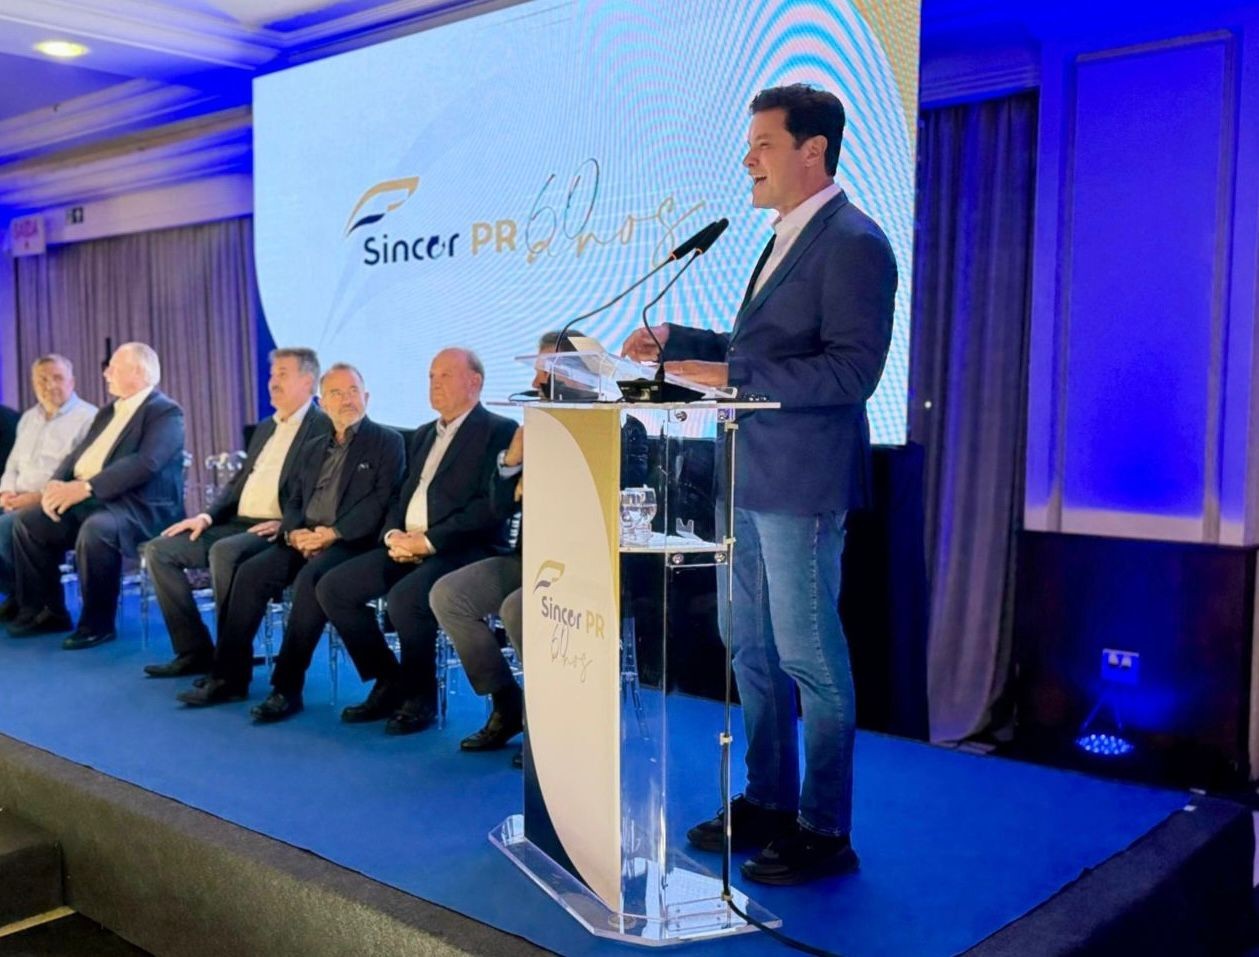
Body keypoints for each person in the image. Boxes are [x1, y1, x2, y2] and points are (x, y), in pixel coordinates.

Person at [621, 84, 897, 885]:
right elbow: (768, 347)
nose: (747, 159)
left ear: (813, 150)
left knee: (809, 657)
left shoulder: (854, 242)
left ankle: (824, 825)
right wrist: (681, 339)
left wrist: (727, 372)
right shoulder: (786, 235)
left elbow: (850, 372)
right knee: (748, 645)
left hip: (800, 484)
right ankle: (770, 798)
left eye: (762, 144)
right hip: (745, 476)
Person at [429, 330, 648, 757]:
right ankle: (506, 702)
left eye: (546, 372)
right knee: (449, 595)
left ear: (579, 375)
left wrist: (553, 481)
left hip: (592, 565)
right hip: (532, 558)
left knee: (518, 608)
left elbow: (626, 499)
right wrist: (512, 461)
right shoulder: (537, 427)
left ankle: (554, 720)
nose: (535, 382)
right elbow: (498, 508)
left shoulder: (624, 427)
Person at [175, 363, 403, 710]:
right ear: (323, 402)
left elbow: (380, 501)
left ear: (367, 397)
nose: (347, 400)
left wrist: (332, 533)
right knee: (250, 573)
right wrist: (294, 533)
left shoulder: (387, 442)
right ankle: (228, 677)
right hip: (303, 538)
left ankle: (286, 688)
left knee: (310, 580)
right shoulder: (312, 447)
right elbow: (293, 499)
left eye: (353, 391)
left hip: (351, 542)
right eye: (337, 393)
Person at [316, 348, 516, 735]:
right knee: (334, 587)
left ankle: (420, 697)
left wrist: (430, 541)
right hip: (408, 544)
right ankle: (390, 680)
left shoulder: (498, 430)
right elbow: (400, 495)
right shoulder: (424, 434)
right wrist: (393, 534)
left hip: (463, 547)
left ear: (475, 382)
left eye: (445, 376)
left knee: (406, 599)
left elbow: (489, 508)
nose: (435, 384)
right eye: (431, 377)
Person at [141, 348, 331, 677]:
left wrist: (288, 523)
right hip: (235, 524)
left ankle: (230, 664)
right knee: (160, 550)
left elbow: (324, 489)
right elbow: (237, 483)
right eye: (271, 375)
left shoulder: (322, 427)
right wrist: (205, 517)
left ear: (308, 381)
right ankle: (194, 650)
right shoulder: (266, 428)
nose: (273, 382)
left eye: (282, 374)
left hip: (277, 530)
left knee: (224, 552)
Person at [8, 343, 185, 649]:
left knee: (97, 529)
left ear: (137, 372)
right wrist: (55, 485)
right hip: (98, 501)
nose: (106, 373)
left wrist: (86, 487)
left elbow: (146, 463)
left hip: (139, 506)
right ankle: (45, 610)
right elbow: (76, 455)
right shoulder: (107, 412)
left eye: (113, 367)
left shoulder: (164, 411)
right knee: (29, 522)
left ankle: (97, 623)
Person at [0, 356, 97, 618]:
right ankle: (17, 593)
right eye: (42, 379)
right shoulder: (28, 418)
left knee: (4, 528)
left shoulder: (88, 418)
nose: (49, 385)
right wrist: (5, 492)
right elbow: (12, 465)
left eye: (57, 378)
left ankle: (43, 607)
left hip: (57, 503)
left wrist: (34, 498)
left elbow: (82, 476)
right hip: (16, 499)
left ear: (71, 382)